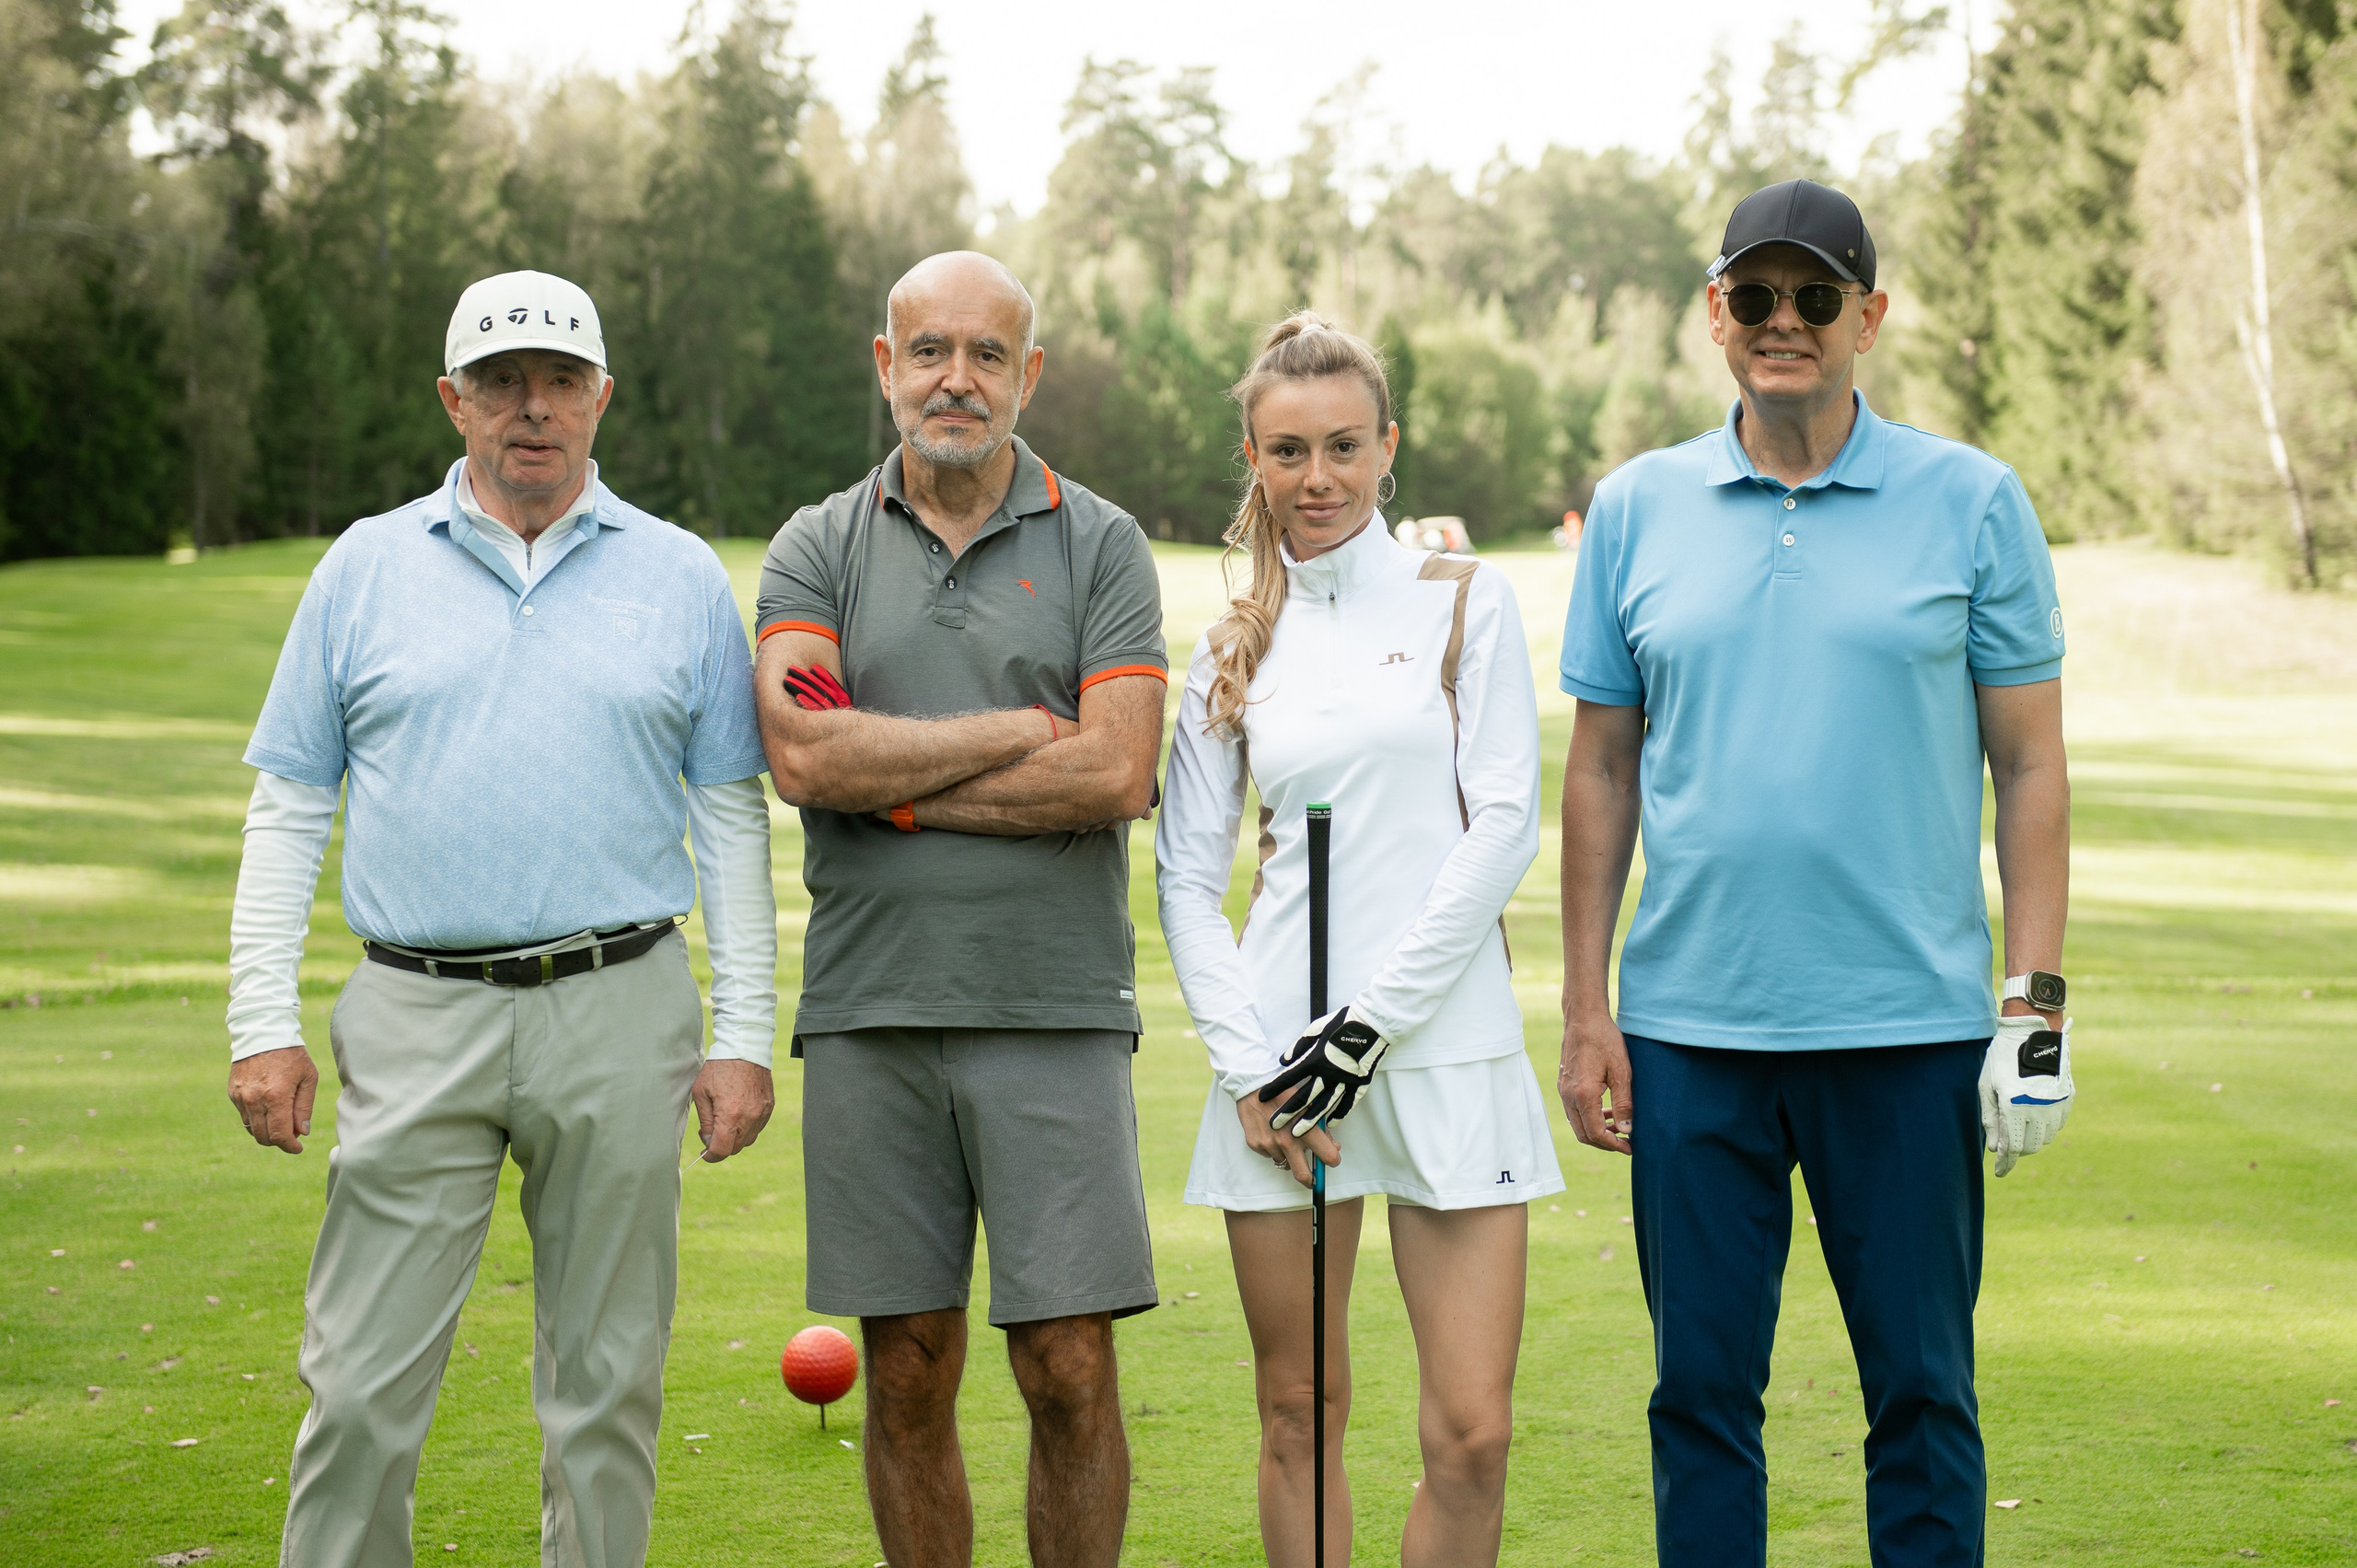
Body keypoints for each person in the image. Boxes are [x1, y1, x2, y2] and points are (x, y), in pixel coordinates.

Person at [224, 269, 780, 1568]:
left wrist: (745, 1029)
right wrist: (261, 1018)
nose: (532, 408)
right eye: (500, 382)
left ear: (601, 397)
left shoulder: (681, 576)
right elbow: (291, 802)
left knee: (605, 1390)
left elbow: (732, 818)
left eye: (559, 380)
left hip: (621, 1002)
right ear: (452, 400)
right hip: (416, 1009)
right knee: (359, 1387)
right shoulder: (364, 568)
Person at [1556, 179, 2075, 1568]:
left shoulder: (1973, 501)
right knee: (1702, 1399)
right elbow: (1601, 769)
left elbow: (2028, 769)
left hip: (1907, 1031)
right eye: (1757, 297)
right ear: (1716, 315)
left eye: (1817, 297)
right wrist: (1585, 1006)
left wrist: (2035, 1010)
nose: (1785, 323)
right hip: (1689, 1035)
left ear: (1870, 318)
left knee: (1922, 1396)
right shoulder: (1636, 507)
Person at [753, 250, 1167, 1568]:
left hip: (1052, 1007)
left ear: (1027, 375)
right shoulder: (816, 545)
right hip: (874, 1011)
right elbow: (808, 758)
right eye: (929, 349)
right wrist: (1013, 735)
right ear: (887, 366)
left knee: (1069, 1370)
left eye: (988, 354)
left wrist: (900, 781)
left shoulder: (1100, 541)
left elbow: (1115, 770)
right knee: (910, 1373)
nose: (957, 378)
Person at [1157, 312, 1558, 1568]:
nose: (1316, 478)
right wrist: (1253, 1068)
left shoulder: (1465, 602)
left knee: (1472, 1434)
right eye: (1287, 451)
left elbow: (1503, 826)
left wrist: (1368, 1029)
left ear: (1389, 446)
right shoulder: (1229, 644)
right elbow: (1182, 880)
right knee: (1298, 1414)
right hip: (1282, 1074)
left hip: (1441, 1050)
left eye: (1342, 446)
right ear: (1253, 458)